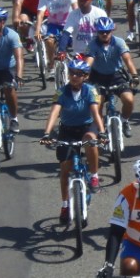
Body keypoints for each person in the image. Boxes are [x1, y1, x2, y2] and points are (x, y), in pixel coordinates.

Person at [40, 58, 106, 222]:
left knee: (91, 139)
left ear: (85, 76)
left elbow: (95, 113)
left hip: (86, 127)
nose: (74, 76)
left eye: (78, 74)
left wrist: (103, 133)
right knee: (65, 169)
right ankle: (65, 205)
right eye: (72, 73)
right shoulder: (61, 92)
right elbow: (54, 112)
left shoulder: (90, 91)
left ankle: (94, 175)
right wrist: (47, 133)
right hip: (67, 130)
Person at [86, 17, 140, 138]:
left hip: (117, 76)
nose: (104, 34)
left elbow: (127, 59)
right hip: (98, 77)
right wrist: (84, 74)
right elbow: (89, 61)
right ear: (97, 32)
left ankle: (125, 120)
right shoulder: (92, 45)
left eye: (107, 31)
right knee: (97, 103)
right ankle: (100, 128)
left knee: (129, 99)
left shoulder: (119, 42)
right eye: (101, 32)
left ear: (112, 31)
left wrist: (135, 75)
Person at [36, 0, 78, 71]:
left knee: (74, 45)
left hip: (68, 23)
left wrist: (78, 25)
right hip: (54, 24)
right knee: (49, 41)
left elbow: (75, 8)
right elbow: (40, 14)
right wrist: (37, 30)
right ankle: (51, 64)